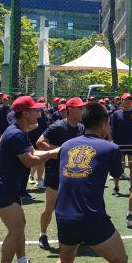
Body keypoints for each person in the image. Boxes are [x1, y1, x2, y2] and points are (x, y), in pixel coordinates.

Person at [50, 103, 132, 263]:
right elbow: (117, 174)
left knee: (65, 259)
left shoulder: (67, 146)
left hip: (63, 215)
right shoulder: (110, 148)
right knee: (120, 260)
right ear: (104, 123)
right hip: (91, 216)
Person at [0, 96, 59, 263]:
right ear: (25, 113)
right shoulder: (16, 134)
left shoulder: (18, 131)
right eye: (35, 110)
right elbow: (30, 161)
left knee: (20, 225)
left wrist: (53, 151)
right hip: (3, 188)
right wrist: (53, 153)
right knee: (15, 229)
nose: (39, 113)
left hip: (8, 187)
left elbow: (33, 154)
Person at [36, 97, 85, 251]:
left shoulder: (82, 128)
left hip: (74, 173)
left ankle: (75, 234)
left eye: (82, 108)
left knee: (74, 205)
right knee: (50, 207)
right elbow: (39, 142)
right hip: (55, 171)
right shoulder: (58, 126)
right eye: (79, 108)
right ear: (70, 110)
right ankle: (43, 235)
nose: (82, 110)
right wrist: (58, 151)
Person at [110, 93, 132, 195]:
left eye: (129, 99)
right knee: (120, 167)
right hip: (119, 144)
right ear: (122, 101)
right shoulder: (116, 114)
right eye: (126, 100)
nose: (128, 101)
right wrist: (112, 142)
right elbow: (112, 129)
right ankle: (116, 186)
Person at [28, 101, 49, 188]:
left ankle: (34, 177)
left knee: (39, 160)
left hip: (39, 139)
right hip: (34, 139)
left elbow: (46, 125)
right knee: (39, 160)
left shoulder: (44, 115)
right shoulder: (39, 111)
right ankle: (39, 180)